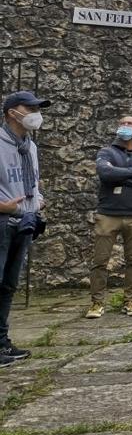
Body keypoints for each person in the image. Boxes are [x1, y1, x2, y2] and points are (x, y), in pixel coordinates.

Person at [87, 115, 132, 319]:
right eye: (122, 123)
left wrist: (120, 174)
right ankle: (97, 303)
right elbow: (105, 174)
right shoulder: (106, 152)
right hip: (108, 214)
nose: (125, 126)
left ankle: (131, 301)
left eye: (130, 124)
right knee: (100, 261)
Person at [0, 90, 50, 367]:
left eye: (37, 108)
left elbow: (33, 181)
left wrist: (37, 199)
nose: (35, 113)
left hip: (24, 221)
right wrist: (4, 207)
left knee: (8, 285)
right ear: (11, 112)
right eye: (29, 108)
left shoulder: (29, 146)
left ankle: (2, 341)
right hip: (3, 220)